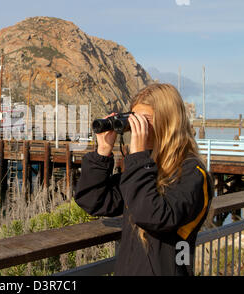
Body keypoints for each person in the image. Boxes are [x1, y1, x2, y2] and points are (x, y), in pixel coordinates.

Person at [74, 83, 213, 276]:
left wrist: (138, 159)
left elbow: (155, 217)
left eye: (145, 120)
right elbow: (95, 201)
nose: (137, 128)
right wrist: (103, 152)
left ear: (168, 123)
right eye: (135, 120)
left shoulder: (193, 173)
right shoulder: (147, 169)